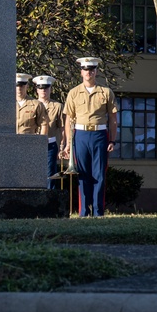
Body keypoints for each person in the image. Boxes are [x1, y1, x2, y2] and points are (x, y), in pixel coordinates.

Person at [61, 57, 117, 217]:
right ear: (81, 72)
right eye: (86, 69)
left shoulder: (106, 92)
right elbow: (68, 120)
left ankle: (98, 212)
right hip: (81, 135)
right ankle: (84, 211)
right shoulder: (73, 92)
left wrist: (112, 139)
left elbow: (113, 119)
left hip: (100, 134)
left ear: (96, 71)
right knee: (82, 173)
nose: (89, 72)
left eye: (92, 69)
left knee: (99, 173)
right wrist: (67, 144)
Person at [34, 75, 65, 189]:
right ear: (36, 90)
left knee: (50, 176)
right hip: (33, 144)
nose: (43, 91)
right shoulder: (31, 105)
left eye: (46, 88)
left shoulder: (57, 106)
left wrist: (62, 147)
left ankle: (49, 202)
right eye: (40, 88)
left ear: (50, 89)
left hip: (50, 145)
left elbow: (62, 128)